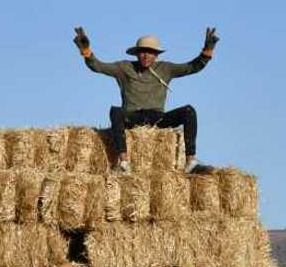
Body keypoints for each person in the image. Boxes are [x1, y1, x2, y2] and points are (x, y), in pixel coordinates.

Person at [73, 26, 218, 172]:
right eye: (142, 52)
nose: (146, 55)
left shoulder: (166, 68)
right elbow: (98, 66)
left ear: (156, 55)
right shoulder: (124, 67)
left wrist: (208, 50)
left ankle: (191, 162)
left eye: (150, 52)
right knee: (116, 112)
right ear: (136, 54)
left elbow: (193, 67)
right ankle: (123, 163)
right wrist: (86, 50)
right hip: (132, 117)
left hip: (158, 118)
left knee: (189, 111)